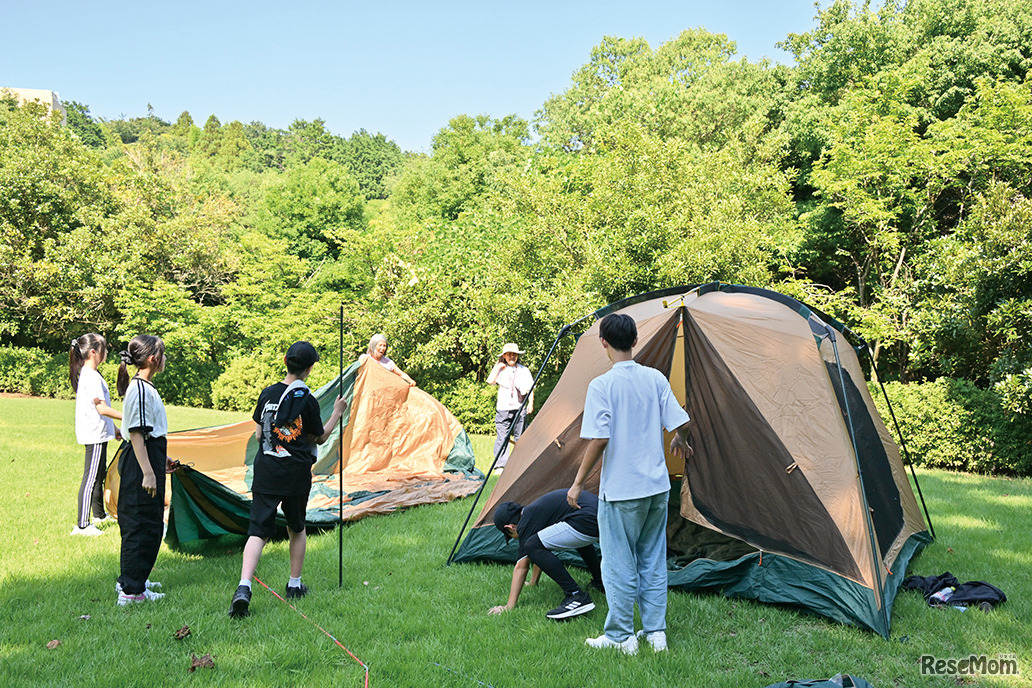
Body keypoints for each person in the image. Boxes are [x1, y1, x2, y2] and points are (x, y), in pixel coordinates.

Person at [567, 313, 693, 654]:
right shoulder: (655, 378)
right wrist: (680, 438)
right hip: (657, 488)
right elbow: (682, 421)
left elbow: (600, 439)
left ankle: (621, 637)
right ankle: (655, 633)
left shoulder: (602, 385)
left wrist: (577, 483)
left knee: (618, 564)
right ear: (635, 340)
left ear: (604, 343)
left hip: (622, 492)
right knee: (652, 560)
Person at [229, 341, 348, 618]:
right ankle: (294, 585)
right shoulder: (307, 400)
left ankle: (244, 586)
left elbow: (258, 434)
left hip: (267, 473)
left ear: (285, 361)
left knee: (258, 531)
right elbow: (320, 437)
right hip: (295, 475)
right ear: (309, 369)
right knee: (296, 527)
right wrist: (337, 412)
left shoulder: (267, 394)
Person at [115, 334, 172, 606]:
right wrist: (148, 472)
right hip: (140, 465)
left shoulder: (145, 387)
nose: (165, 358)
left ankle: (135, 578)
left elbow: (149, 432)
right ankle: (131, 591)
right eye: (163, 353)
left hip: (148, 458)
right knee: (140, 524)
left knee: (148, 522)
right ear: (153, 358)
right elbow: (136, 433)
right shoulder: (139, 389)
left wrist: (162, 460)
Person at [488, 489, 603, 620]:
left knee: (531, 545)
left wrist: (509, 606)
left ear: (510, 527)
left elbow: (522, 567)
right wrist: (533, 582)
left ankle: (575, 595)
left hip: (587, 521)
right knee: (547, 542)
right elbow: (542, 550)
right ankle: (600, 581)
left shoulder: (525, 524)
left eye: (510, 536)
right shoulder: (534, 512)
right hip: (601, 515)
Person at [69, 333, 123, 537]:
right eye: (104, 348)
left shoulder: (92, 374)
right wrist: (128, 417)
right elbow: (102, 409)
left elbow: (100, 409)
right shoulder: (90, 377)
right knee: (91, 478)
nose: (106, 352)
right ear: (93, 352)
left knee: (99, 475)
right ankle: (82, 525)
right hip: (94, 434)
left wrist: (114, 429)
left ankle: (99, 515)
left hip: (99, 432)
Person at [486, 343, 533, 468]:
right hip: (503, 408)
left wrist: (531, 403)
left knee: (521, 437)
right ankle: (500, 465)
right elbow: (490, 381)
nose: (512, 356)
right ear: (504, 356)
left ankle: (520, 464)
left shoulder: (524, 370)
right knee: (502, 437)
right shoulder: (500, 369)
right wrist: (497, 367)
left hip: (519, 407)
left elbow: (530, 388)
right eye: (509, 354)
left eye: (514, 354)